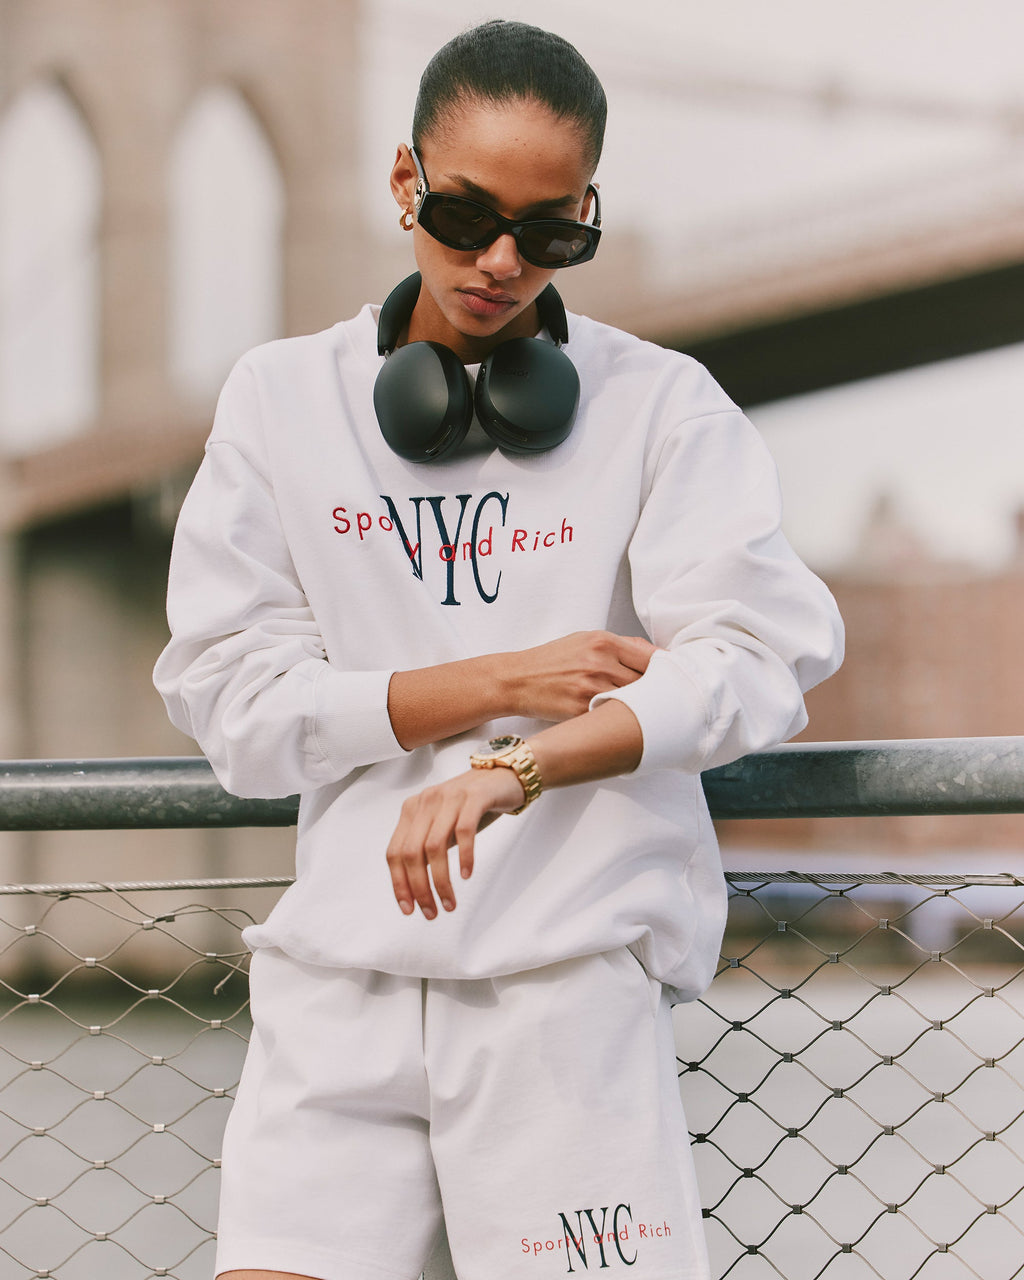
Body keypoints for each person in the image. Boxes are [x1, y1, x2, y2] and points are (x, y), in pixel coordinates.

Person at [154, 18, 843, 1280]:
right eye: (465, 214)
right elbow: (234, 707)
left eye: (548, 232)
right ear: (404, 179)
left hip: (560, 997)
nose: (500, 261)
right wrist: (500, 685)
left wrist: (517, 768)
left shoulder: (662, 406)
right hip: (338, 985)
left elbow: (755, 655)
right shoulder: (279, 400)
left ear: (588, 213)